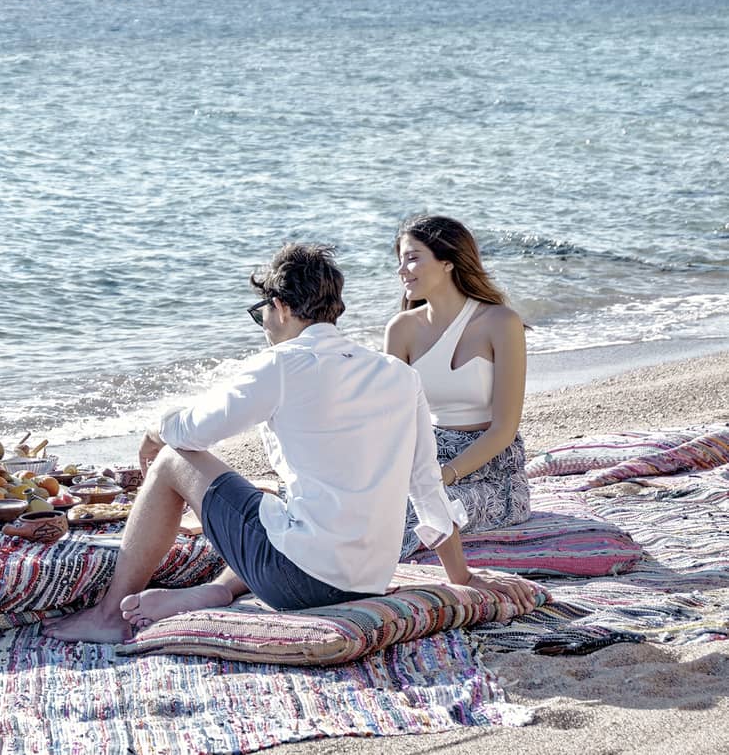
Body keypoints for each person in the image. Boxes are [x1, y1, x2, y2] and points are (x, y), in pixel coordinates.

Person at [46, 243, 534, 643]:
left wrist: (156, 431)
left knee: (175, 460)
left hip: (298, 584)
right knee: (272, 498)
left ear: (279, 307)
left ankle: (108, 614)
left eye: (262, 313)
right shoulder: (398, 376)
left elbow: (192, 432)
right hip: (366, 582)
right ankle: (216, 592)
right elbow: (426, 487)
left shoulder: (283, 365)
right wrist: (462, 578)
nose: (264, 326)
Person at [386, 215, 529, 560]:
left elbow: (504, 429)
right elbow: (392, 420)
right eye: (400, 260)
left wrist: (444, 475)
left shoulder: (500, 323)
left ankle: (342, 577)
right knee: (349, 503)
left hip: (491, 472)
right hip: (426, 456)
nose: (402, 270)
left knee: (416, 514)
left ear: (448, 261)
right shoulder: (402, 329)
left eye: (413, 257)